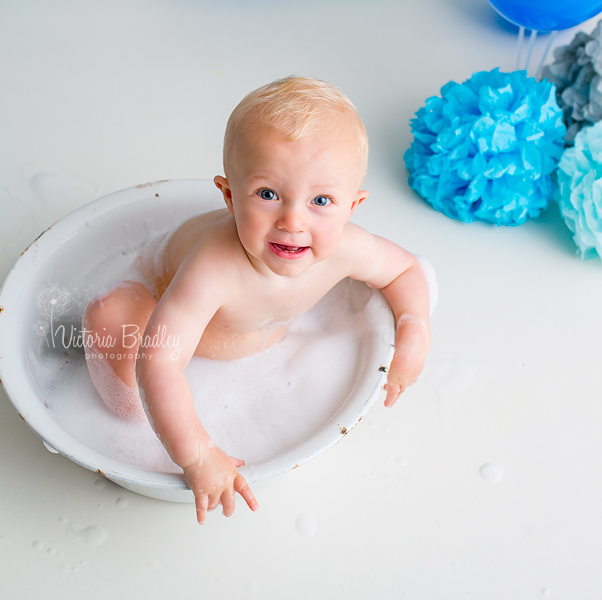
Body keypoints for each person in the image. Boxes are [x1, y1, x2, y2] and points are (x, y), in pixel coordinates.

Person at [82, 76, 432, 524]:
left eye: (321, 200)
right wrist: (199, 454)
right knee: (116, 333)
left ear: (352, 206)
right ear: (229, 196)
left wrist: (414, 332)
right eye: (268, 194)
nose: (292, 220)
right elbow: (160, 364)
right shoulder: (212, 269)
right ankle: (116, 386)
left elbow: (404, 269)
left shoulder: (346, 247)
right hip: (152, 304)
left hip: (248, 335)